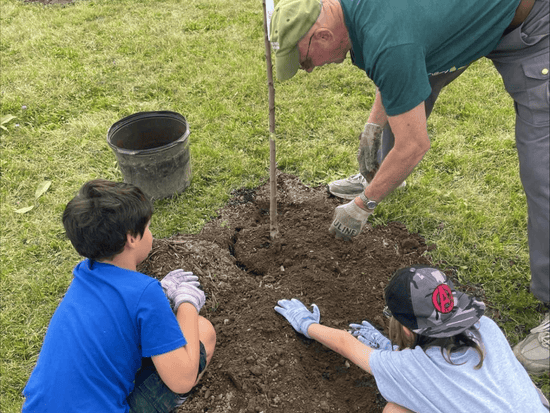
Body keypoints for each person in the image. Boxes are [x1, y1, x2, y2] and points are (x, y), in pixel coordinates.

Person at [269, 0, 549, 374]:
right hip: (453, 20)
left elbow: (415, 141)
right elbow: (400, 68)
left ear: (322, 35)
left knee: (542, 173)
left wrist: (364, 205)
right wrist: (374, 124)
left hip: (530, 22)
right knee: (410, 84)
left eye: (305, 60)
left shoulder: (390, 41)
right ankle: (380, 175)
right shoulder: (360, 16)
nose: (309, 69)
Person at [22, 180, 216, 413]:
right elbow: (182, 379)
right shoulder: (145, 294)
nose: (151, 233)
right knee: (203, 330)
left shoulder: (83, 275)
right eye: (148, 227)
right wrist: (187, 301)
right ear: (132, 238)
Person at [274, 265, 550, 412]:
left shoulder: (409, 368)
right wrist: (394, 351)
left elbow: (348, 345)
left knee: (395, 410)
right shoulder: (485, 327)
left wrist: (306, 324)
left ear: (406, 330)